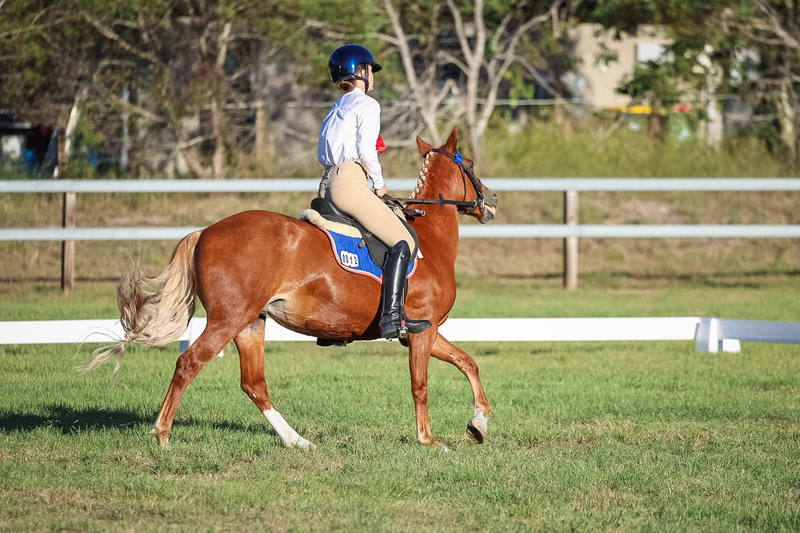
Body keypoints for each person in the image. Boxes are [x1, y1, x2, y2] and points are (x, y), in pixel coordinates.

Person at [317, 44, 431, 340]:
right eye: (371, 70)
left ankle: (334, 322)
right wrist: (379, 185)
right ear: (361, 72)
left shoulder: (336, 107)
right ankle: (393, 318)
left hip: (326, 184)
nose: (373, 76)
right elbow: (367, 151)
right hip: (349, 183)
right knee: (404, 241)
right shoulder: (367, 105)